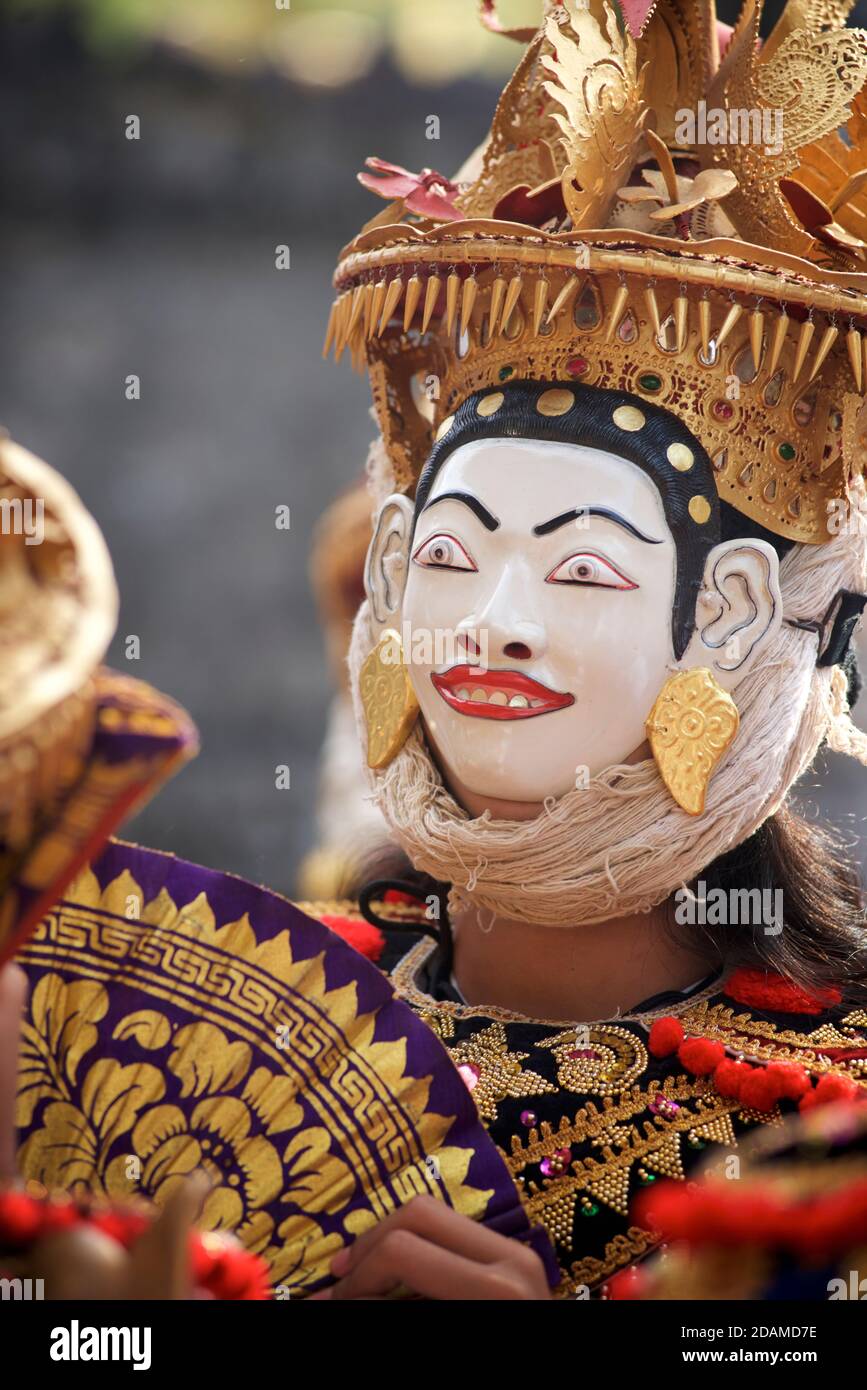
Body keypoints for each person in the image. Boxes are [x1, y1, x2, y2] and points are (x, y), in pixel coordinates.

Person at [311, 0, 867, 1296]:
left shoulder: (831, 1133)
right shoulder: (239, 1027)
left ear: (728, 612)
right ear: (392, 577)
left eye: (581, 569)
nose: (494, 620)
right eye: (450, 555)